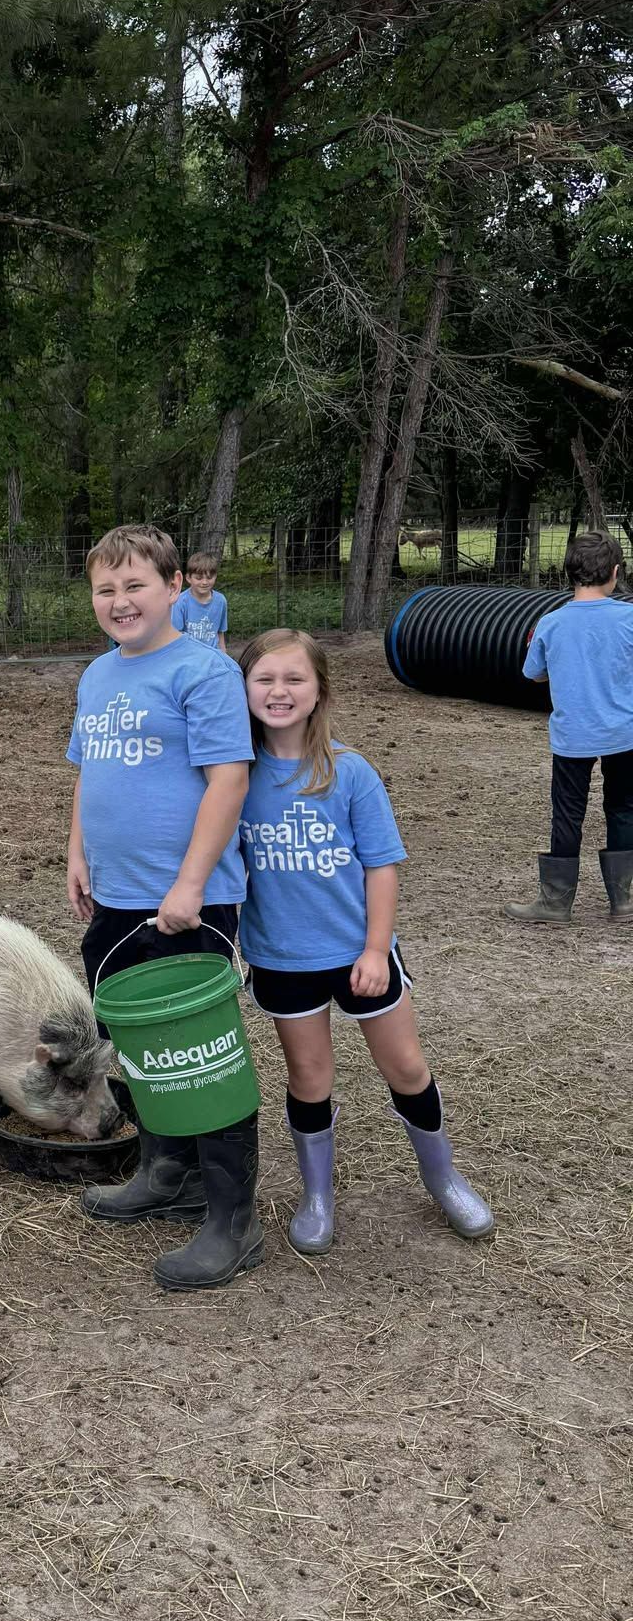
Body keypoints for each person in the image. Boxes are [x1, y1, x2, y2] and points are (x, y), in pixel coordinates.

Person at [236, 627, 493, 1254]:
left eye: (294, 678)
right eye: (264, 678)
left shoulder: (348, 773)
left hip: (359, 955)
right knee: (309, 1076)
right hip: (282, 957)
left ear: (320, 688)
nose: (279, 691)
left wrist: (377, 949)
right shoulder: (232, 779)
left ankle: (443, 1177)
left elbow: (382, 865)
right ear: (242, 688)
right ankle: (318, 1195)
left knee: (405, 1066)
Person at [65, 523, 258, 1290]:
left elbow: (229, 781)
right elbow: (87, 771)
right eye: (105, 590)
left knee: (200, 1056)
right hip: (115, 895)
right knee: (135, 1041)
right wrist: (78, 851)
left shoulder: (202, 672)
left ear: (176, 588)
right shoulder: (97, 677)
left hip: (187, 900)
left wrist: (189, 885)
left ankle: (232, 1219)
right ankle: (166, 1172)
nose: (120, 601)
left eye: (136, 586)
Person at [505, 531, 633, 924]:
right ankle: (625, 901)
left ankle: (556, 902)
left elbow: (534, 675)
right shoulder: (630, 618)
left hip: (572, 737)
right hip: (624, 735)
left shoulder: (550, 622)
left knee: (567, 813)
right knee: (624, 809)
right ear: (615, 572)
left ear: (570, 574)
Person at [171, 552, 229, 651]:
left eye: (209, 577)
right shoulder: (180, 602)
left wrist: (224, 656)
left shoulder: (221, 601)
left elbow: (220, 633)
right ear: (188, 578)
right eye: (198, 578)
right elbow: (176, 636)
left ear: (215, 576)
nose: (204, 582)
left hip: (213, 654)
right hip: (189, 654)